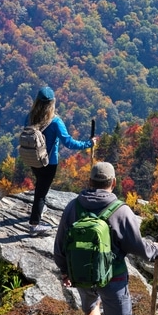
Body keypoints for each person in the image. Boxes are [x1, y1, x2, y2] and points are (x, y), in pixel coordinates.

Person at [53, 161, 158, 315]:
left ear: (89, 182)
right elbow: (138, 248)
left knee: (91, 308)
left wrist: (65, 271)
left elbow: (60, 244)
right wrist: (156, 249)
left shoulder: (73, 207)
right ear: (113, 183)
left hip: (82, 274)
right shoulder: (121, 210)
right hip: (113, 278)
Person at [25, 86, 94, 235]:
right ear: (52, 103)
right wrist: (88, 143)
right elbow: (68, 142)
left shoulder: (29, 117)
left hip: (33, 159)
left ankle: (40, 210)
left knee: (40, 186)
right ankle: (34, 224)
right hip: (49, 163)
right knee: (41, 193)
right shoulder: (55, 122)